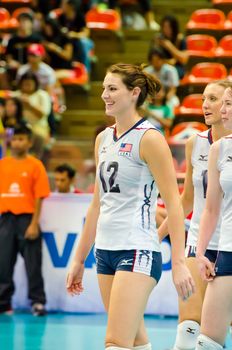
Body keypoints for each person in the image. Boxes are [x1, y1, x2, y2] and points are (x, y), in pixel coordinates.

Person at [66, 63, 195, 350]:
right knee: (136, 342)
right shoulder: (103, 139)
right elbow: (96, 206)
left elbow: (175, 204)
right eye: (103, 88)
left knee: (115, 342)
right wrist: (78, 259)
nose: (104, 95)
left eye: (112, 89)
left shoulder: (149, 138)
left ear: (134, 93)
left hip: (137, 249)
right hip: (104, 252)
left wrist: (178, 263)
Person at [158, 80, 232, 350]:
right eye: (204, 98)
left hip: (229, 243)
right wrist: (156, 235)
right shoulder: (196, 144)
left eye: (213, 99)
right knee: (189, 325)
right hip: (200, 242)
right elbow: (186, 199)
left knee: (216, 331)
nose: (205, 105)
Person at [195, 85, 232, 349]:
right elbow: (211, 210)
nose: (223, 109)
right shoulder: (219, 149)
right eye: (225, 103)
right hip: (227, 251)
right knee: (207, 342)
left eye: (230, 104)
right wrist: (200, 253)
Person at [0, 124, 50, 316]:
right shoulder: (3, 164)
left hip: (27, 219)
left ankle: (37, 302)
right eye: (15, 138)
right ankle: (4, 303)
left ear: (29, 142)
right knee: (3, 264)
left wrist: (34, 223)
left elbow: (39, 196)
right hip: (6, 219)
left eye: (22, 139)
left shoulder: (35, 165)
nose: (17, 142)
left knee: (33, 264)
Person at [153, 15, 188, 79]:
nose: (166, 29)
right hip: (161, 66)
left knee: (169, 72)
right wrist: (156, 45)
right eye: (164, 27)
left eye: (169, 27)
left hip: (176, 67)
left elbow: (184, 59)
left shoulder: (180, 39)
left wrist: (170, 47)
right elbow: (153, 58)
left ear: (174, 27)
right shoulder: (159, 39)